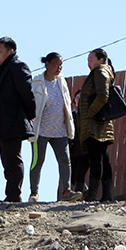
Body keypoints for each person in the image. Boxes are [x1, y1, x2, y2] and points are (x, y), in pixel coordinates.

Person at [30, 52, 79, 202]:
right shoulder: (37, 82)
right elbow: (31, 103)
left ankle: (66, 190)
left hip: (60, 130)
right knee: (38, 161)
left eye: (61, 65)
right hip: (41, 130)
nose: (59, 67)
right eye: (56, 64)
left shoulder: (61, 81)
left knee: (65, 160)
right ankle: (34, 193)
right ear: (47, 64)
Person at [0, 37, 35, 203]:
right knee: (6, 160)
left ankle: (14, 195)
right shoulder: (3, 69)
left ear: (10, 51)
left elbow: (27, 93)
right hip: (3, 122)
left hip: (14, 120)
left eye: (0, 52)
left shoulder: (17, 66)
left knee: (13, 159)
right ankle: (10, 194)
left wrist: (30, 114)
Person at [79, 48, 116, 202]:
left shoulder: (101, 71)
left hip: (95, 124)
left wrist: (90, 113)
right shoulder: (99, 72)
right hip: (97, 124)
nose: (89, 63)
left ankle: (93, 194)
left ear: (101, 60)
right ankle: (107, 195)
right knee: (102, 159)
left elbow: (103, 96)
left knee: (96, 159)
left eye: (91, 59)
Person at [69, 90, 89, 196]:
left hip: (86, 149)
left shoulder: (88, 115)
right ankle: (85, 191)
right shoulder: (71, 115)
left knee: (79, 174)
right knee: (72, 175)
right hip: (73, 149)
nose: (79, 100)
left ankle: (78, 197)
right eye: (77, 97)